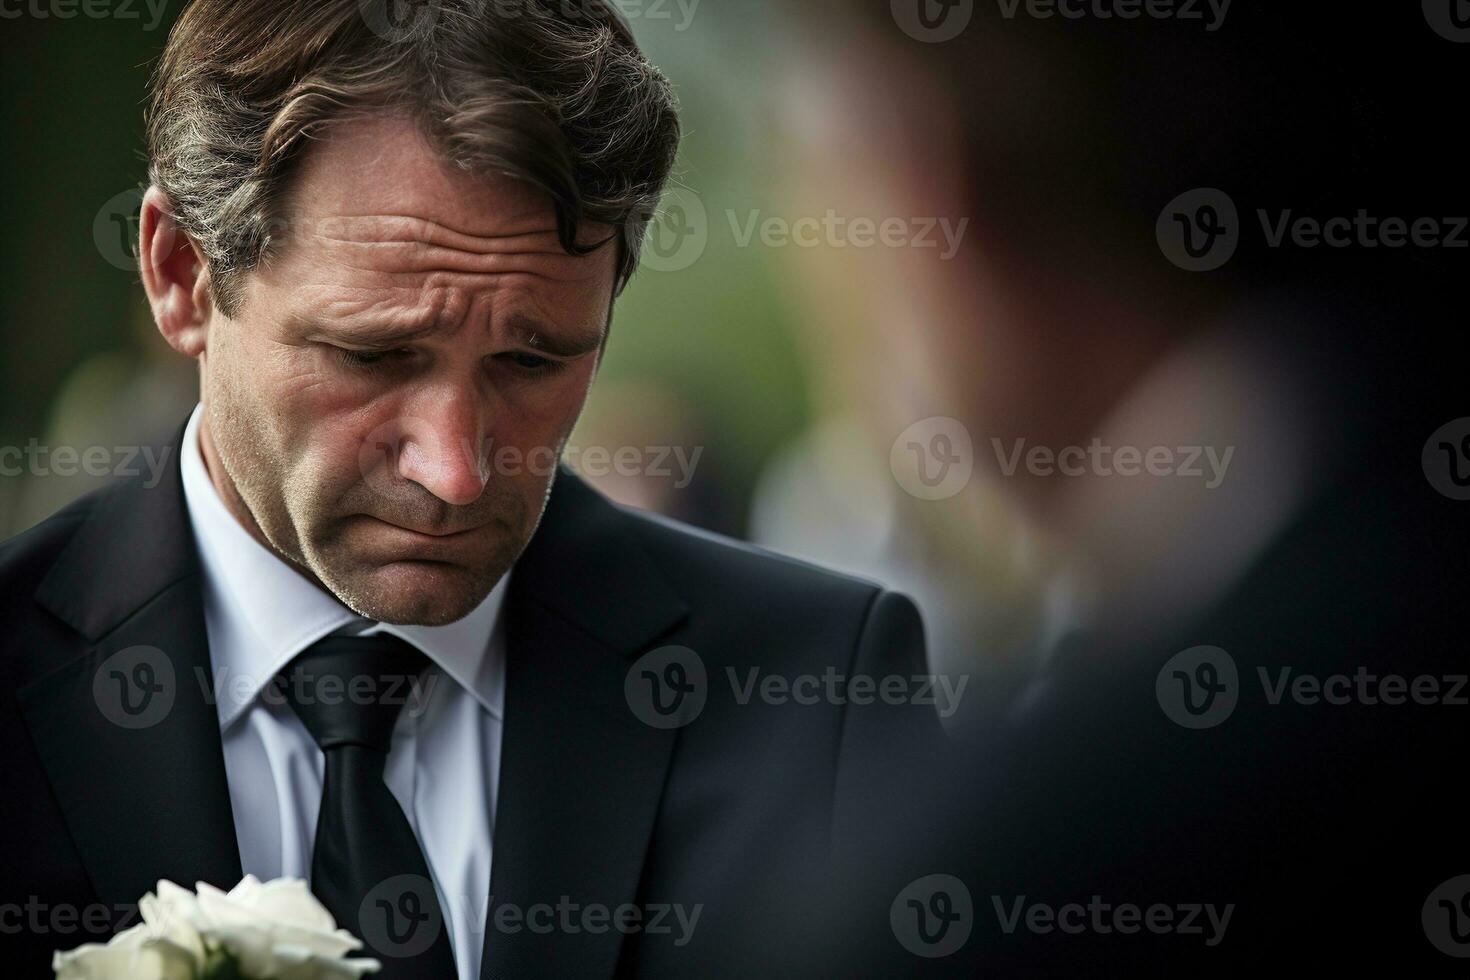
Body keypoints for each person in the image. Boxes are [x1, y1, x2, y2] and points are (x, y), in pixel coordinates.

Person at [0, 3, 937, 977]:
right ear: (181, 273)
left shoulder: (819, 702)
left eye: (533, 361)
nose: (455, 468)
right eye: (375, 353)